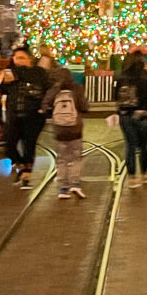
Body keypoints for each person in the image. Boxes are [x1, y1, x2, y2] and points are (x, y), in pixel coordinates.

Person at [0, 46, 48, 189]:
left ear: (29, 59)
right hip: (14, 114)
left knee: (29, 144)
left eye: (21, 57)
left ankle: (26, 173)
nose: (18, 60)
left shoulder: (38, 72)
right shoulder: (8, 74)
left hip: (33, 115)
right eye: (16, 57)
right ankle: (20, 164)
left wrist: (45, 107)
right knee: (9, 143)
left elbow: (45, 86)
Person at [114, 50, 147, 188]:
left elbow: (116, 97)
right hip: (144, 115)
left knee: (129, 145)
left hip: (125, 115)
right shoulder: (145, 77)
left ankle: (132, 178)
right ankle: (145, 174)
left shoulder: (121, 78)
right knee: (143, 146)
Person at [42, 67, 88, 199]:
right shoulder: (77, 89)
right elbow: (84, 107)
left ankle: (63, 188)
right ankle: (75, 184)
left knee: (61, 159)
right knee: (75, 157)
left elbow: (45, 105)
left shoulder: (53, 91)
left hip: (59, 130)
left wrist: (52, 114)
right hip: (75, 129)